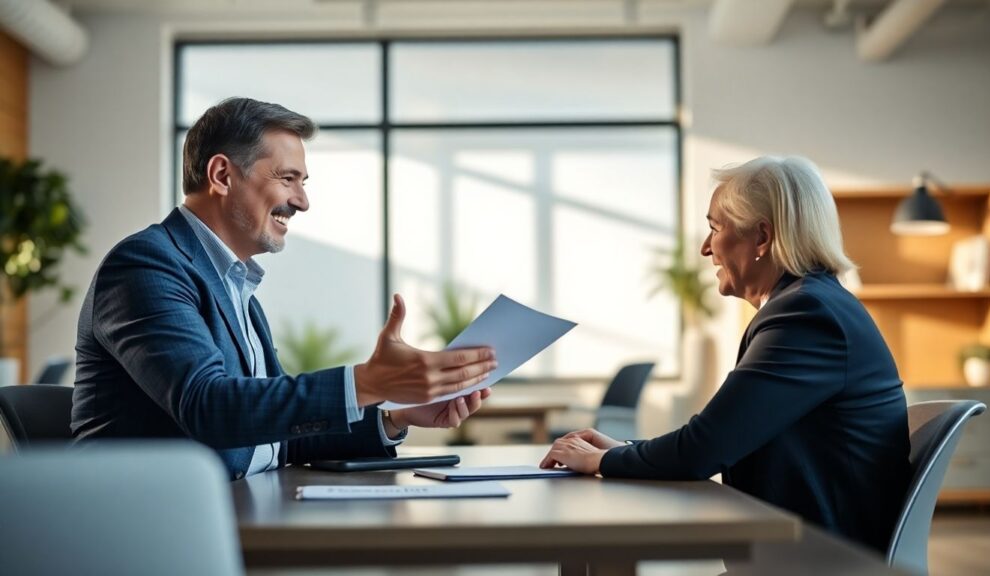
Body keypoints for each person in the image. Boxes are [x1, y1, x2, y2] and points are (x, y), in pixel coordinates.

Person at [72, 97, 496, 480]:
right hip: (148, 522)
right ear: (221, 174)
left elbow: (275, 434)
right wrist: (367, 380)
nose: (302, 201)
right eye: (288, 178)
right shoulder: (146, 264)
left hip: (229, 506)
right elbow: (208, 406)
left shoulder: (238, 288)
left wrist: (392, 415)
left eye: (303, 182)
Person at [541, 156, 911, 552]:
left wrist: (602, 461)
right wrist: (622, 452)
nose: (705, 248)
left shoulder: (806, 316)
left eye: (715, 227)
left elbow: (706, 448)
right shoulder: (811, 305)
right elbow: (724, 438)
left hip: (821, 562)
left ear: (762, 238)